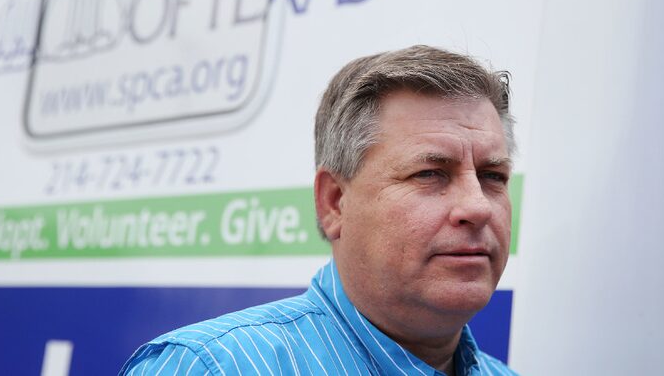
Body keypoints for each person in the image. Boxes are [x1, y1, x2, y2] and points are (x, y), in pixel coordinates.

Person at [121, 45, 518, 375]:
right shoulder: (210, 368)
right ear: (334, 203)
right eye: (429, 174)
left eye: (493, 176)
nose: (477, 207)